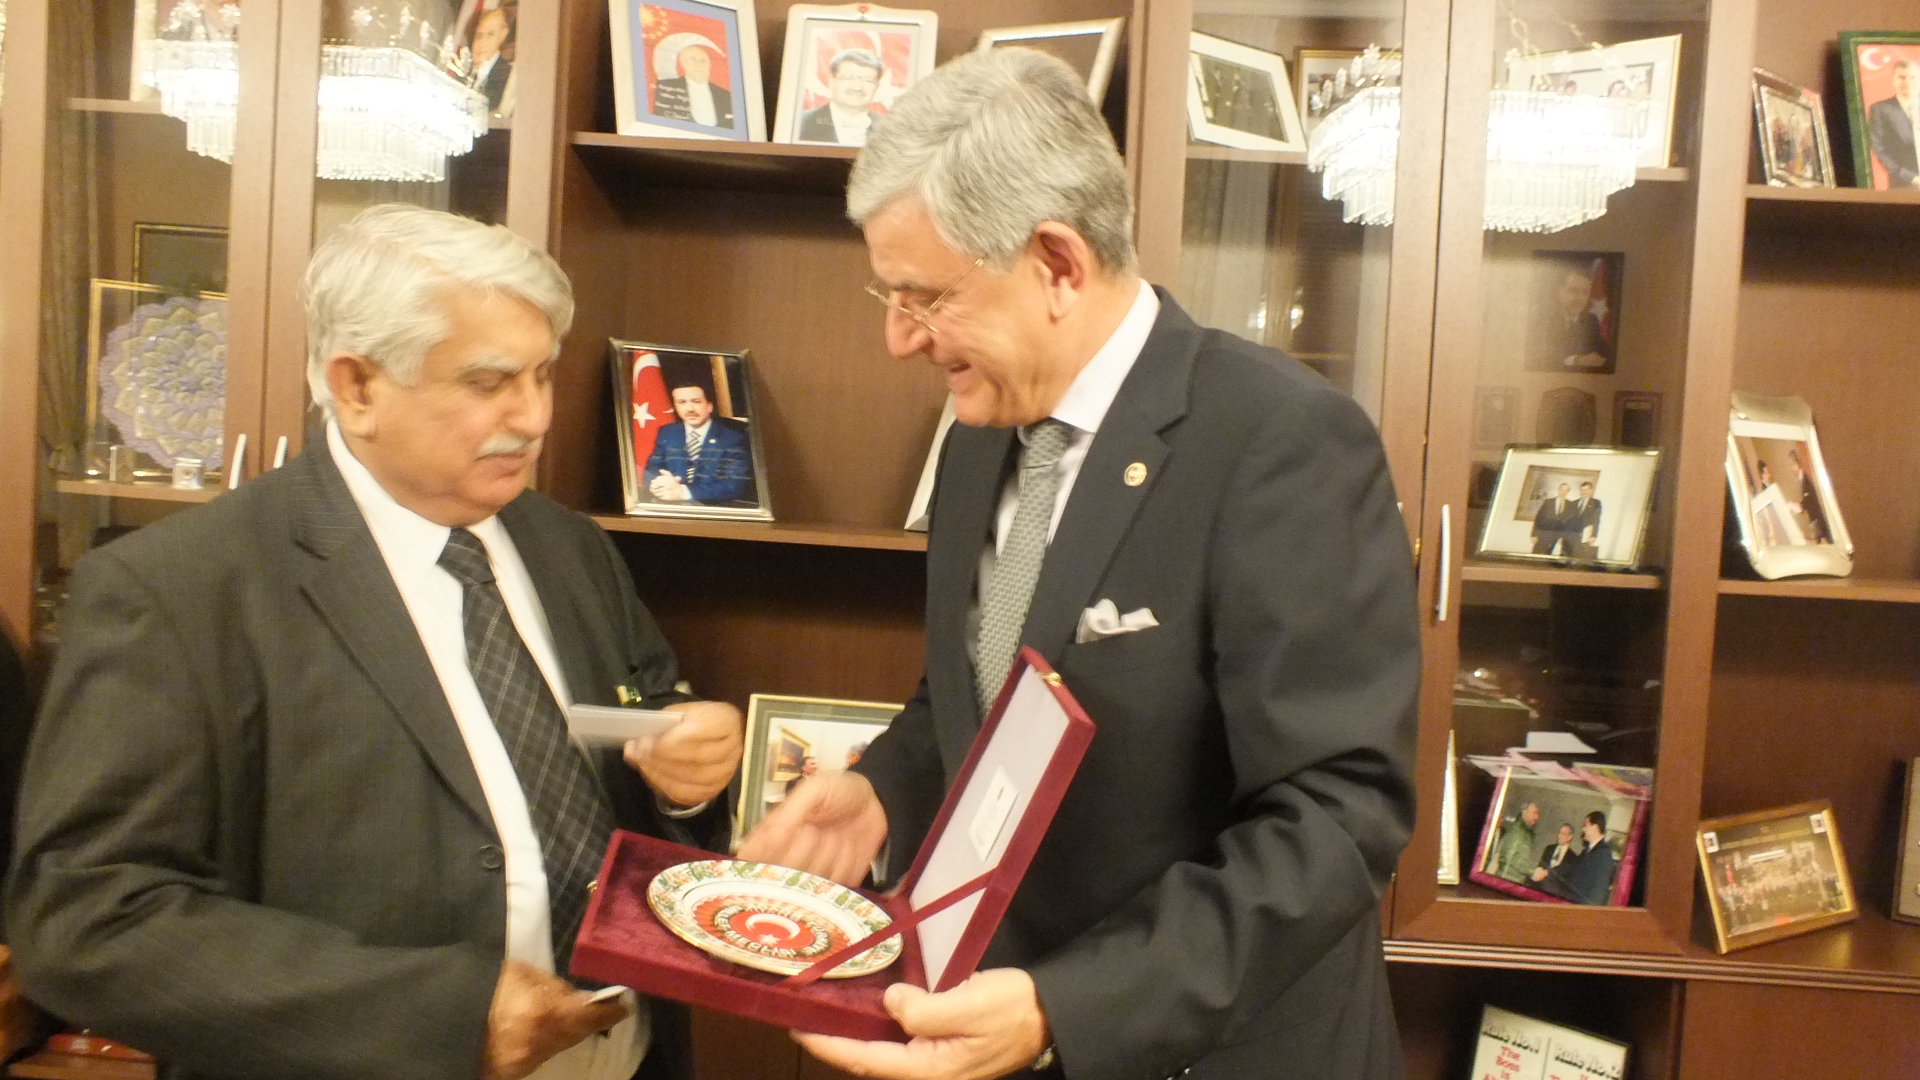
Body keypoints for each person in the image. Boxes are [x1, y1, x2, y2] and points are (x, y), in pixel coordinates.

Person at [739, 48, 1419, 1080]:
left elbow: (1335, 817)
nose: (896, 339)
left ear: (1057, 263)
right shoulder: (980, 431)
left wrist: (1070, 1006)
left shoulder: (1281, 441)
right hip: (1000, 1028)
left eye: (923, 298)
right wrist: (881, 788)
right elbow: (983, 688)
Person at [6, 206, 746, 1080]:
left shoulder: (569, 547)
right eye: (488, 382)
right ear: (356, 386)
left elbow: (643, 739)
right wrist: (438, 1013)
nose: (536, 415)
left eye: (543, 373)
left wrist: (689, 784)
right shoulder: (178, 591)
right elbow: (89, 917)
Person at [642, 380, 756, 506]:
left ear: (709, 406)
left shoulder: (734, 438)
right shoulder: (668, 432)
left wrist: (684, 491)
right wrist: (657, 484)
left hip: (715, 509)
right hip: (672, 506)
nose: (690, 409)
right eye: (682, 402)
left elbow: (734, 485)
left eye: (696, 402)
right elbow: (652, 469)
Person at [796, 49, 886, 146]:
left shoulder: (890, 128)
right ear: (831, 82)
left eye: (868, 80)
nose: (857, 87)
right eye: (848, 78)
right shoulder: (799, 123)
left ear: (877, 87)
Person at [1531, 811, 1618, 905]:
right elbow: (1571, 866)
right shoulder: (1587, 850)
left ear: (1595, 827)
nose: (1583, 829)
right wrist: (1547, 872)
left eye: (1585, 825)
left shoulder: (1603, 853)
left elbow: (1598, 891)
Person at [1535, 266, 1609, 370]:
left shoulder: (1591, 320)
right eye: (1573, 290)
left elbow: (1606, 355)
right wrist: (1576, 360)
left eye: (1585, 292)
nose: (1579, 298)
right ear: (1558, 292)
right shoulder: (1542, 319)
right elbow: (1538, 358)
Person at [1866, 58, 1920, 189]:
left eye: (1913, 77)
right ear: (1893, 80)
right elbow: (1878, 149)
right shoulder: (1880, 109)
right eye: (1902, 77)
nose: (1907, 82)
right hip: (1904, 186)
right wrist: (1910, 177)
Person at [654, 44, 734, 129]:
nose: (698, 64)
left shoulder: (726, 96)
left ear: (709, 65)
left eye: (703, 61)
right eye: (693, 59)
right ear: (683, 63)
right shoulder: (666, 87)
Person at [465, 6, 514, 113]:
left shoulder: (507, 79)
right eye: (479, 35)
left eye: (490, 34)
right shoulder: (462, 73)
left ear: (503, 36)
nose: (482, 42)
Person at [1784, 447, 1829, 544]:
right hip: (1816, 521)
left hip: (1818, 521)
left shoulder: (1806, 480)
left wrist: (1796, 506)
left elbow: (1809, 502)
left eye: (1792, 465)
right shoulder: (1802, 480)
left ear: (1797, 464)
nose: (1792, 468)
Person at [1494, 801, 1542, 883]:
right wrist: (1532, 872)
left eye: (1537, 814)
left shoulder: (1526, 832)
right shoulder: (1517, 831)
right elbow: (1509, 859)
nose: (1536, 817)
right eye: (1534, 813)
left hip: (1515, 880)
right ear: (1524, 812)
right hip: (1506, 879)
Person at [1531, 482, 1581, 556]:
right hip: (1544, 534)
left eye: (1565, 490)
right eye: (1562, 489)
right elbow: (1538, 518)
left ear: (1568, 492)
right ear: (1558, 489)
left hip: (1559, 535)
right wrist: (1534, 534)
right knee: (1536, 555)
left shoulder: (1571, 505)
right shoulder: (1548, 502)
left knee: (1549, 558)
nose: (1563, 492)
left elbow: (1572, 522)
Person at [1573, 480, 1602, 559]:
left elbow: (1596, 520)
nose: (1584, 492)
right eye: (1582, 490)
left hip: (1585, 536)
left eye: (1586, 490)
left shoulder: (1596, 503)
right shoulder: (1574, 503)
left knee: (1581, 557)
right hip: (1572, 536)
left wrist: (1593, 535)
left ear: (1591, 491)